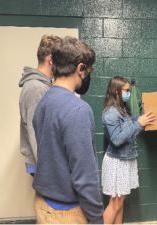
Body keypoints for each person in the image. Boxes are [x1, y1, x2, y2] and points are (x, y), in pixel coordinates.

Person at [32, 36, 104, 225]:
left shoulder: (43, 102)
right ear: (80, 69)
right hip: (67, 214)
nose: (87, 75)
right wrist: (97, 219)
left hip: (42, 204)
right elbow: (84, 177)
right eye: (88, 71)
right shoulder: (78, 109)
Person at [102, 76, 156, 225]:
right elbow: (117, 139)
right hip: (117, 162)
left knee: (120, 203)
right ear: (116, 91)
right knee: (115, 204)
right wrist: (139, 124)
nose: (128, 93)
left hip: (125, 161)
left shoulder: (122, 109)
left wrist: (146, 118)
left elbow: (135, 119)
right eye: (126, 90)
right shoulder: (111, 113)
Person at [19, 35, 61, 176]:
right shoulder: (35, 88)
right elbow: (35, 133)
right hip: (42, 166)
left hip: (45, 163)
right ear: (50, 59)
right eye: (60, 59)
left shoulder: (45, 86)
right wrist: (49, 172)